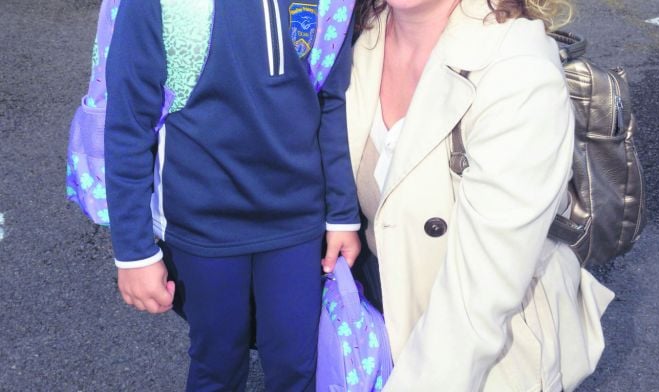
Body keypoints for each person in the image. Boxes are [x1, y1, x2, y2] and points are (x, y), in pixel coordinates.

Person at [347, 0, 615, 390]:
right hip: (383, 321)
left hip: (486, 357)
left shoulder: (520, 71)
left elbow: (477, 301)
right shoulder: (360, 34)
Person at [104, 1, 360, 391]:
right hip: (204, 223)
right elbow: (128, 119)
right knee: (217, 363)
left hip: (297, 221)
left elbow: (330, 98)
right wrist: (134, 250)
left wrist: (341, 214)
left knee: (296, 364)